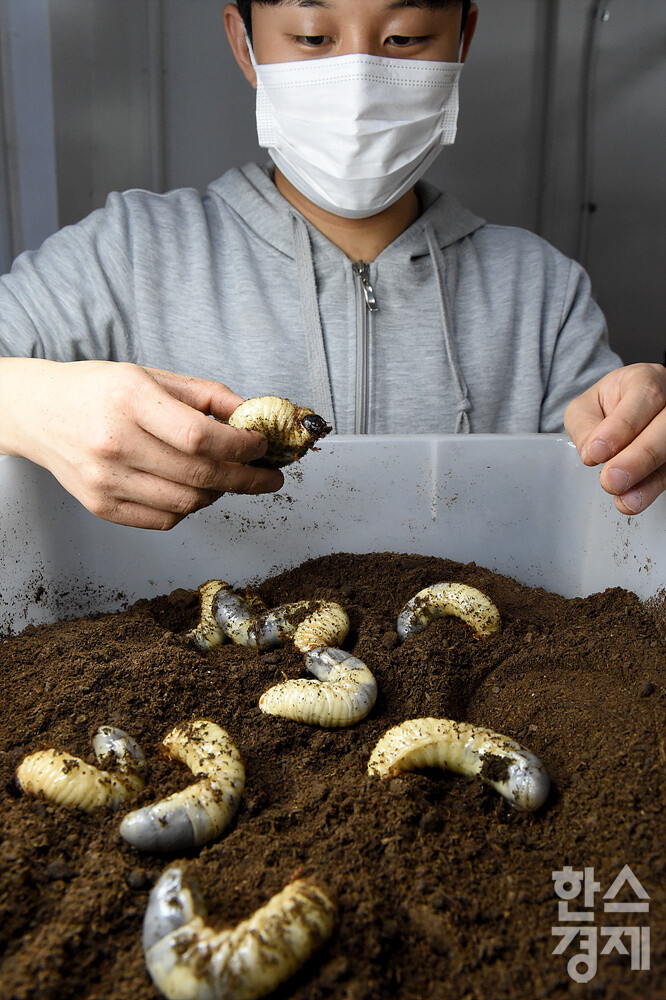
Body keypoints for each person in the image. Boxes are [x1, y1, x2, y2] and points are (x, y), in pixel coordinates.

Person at [0, 0, 663, 530]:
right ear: (245, 44)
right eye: (313, 37)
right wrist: (34, 405)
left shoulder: (543, 295)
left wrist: (637, 433)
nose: (359, 83)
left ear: (461, 39)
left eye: (404, 38)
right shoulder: (129, 254)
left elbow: (610, 502)